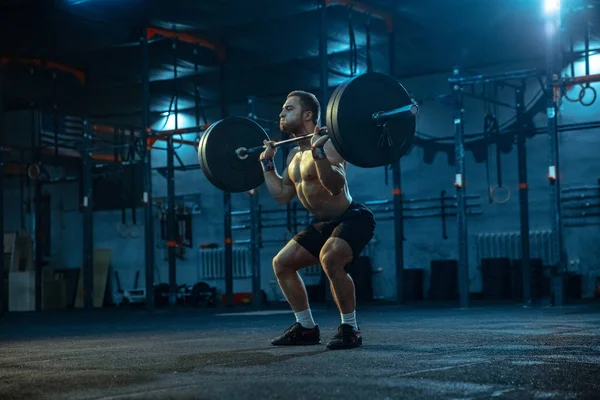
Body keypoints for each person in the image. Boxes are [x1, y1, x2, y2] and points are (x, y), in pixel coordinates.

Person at [260, 90, 376, 350]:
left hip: (353, 217)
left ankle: (350, 328)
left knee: (330, 257)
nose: (281, 113)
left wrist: (318, 151)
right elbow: (281, 194)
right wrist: (267, 164)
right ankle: (306, 328)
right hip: (324, 223)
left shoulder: (330, 144)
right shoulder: (292, 157)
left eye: (288, 109)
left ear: (308, 115)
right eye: (282, 109)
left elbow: (335, 186)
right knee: (282, 263)